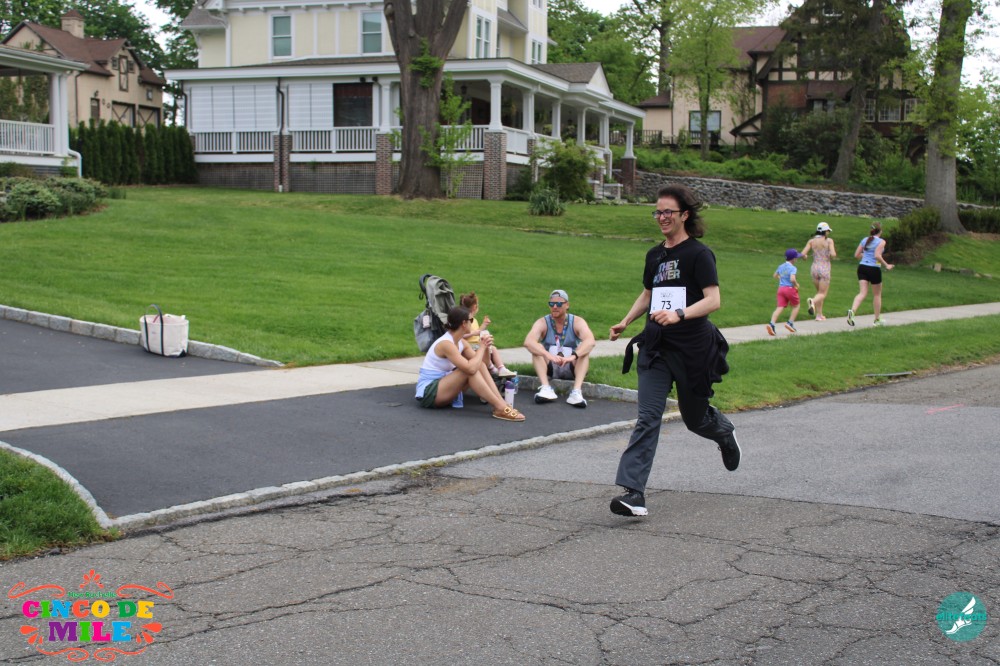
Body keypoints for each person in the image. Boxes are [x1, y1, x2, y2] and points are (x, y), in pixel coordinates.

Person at [608, 184, 739, 518]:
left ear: (684, 215)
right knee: (648, 417)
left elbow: (713, 300)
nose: (662, 217)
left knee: (695, 419)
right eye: (658, 211)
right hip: (656, 347)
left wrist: (679, 314)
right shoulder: (655, 255)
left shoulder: (699, 254)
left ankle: (723, 432)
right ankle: (634, 493)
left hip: (693, 349)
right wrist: (625, 321)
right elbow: (648, 293)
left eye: (668, 211)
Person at [415, 305, 525, 422]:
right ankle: (500, 407)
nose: (472, 323)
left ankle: (502, 404)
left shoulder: (461, 342)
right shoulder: (446, 344)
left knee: (477, 366)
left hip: (444, 387)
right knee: (467, 371)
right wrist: (481, 347)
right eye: (471, 320)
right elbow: (470, 369)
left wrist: (486, 347)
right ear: (464, 323)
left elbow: (483, 364)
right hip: (429, 393)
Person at [523, 289, 596, 408]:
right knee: (537, 348)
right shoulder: (543, 322)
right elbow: (528, 342)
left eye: (559, 304)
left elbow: (590, 341)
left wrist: (573, 356)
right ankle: (546, 388)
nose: (555, 307)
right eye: (551, 304)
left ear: (567, 305)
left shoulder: (577, 321)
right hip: (551, 364)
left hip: (572, 364)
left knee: (583, 350)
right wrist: (547, 355)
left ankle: (576, 392)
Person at [459, 292, 516, 378]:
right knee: (487, 348)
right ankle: (491, 367)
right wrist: (474, 333)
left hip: (477, 344)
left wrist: (484, 325)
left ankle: (501, 368)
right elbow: (461, 335)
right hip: (469, 346)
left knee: (493, 348)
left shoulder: (474, 320)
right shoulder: (465, 320)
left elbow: (478, 331)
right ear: (475, 307)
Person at [847, 221, 894, 327]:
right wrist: (886, 265)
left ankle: (852, 311)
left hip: (862, 267)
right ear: (880, 231)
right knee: (877, 294)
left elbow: (856, 255)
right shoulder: (881, 241)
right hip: (874, 269)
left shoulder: (865, 240)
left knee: (862, 293)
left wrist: (866, 257)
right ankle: (877, 320)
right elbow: (877, 255)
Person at [800, 221, 837, 321]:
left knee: (819, 293)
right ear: (825, 231)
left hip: (814, 268)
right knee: (822, 294)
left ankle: (819, 315)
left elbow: (803, 254)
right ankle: (812, 301)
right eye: (828, 231)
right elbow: (833, 254)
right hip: (824, 268)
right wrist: (831, 254)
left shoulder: (811, 241)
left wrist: (805, 257)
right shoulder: (829, 241)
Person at [766, 249, 803, 336]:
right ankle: (790, 323)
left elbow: (775, 275)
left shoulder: (781, 266)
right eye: (796, 258)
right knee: (796, 306)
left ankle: (772, 324)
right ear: (793, 259)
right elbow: (792, 279)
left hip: (781, 289)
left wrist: (781, 279)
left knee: (780, 307)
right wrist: (796, 284)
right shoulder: (793, 268)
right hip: (790, 289)